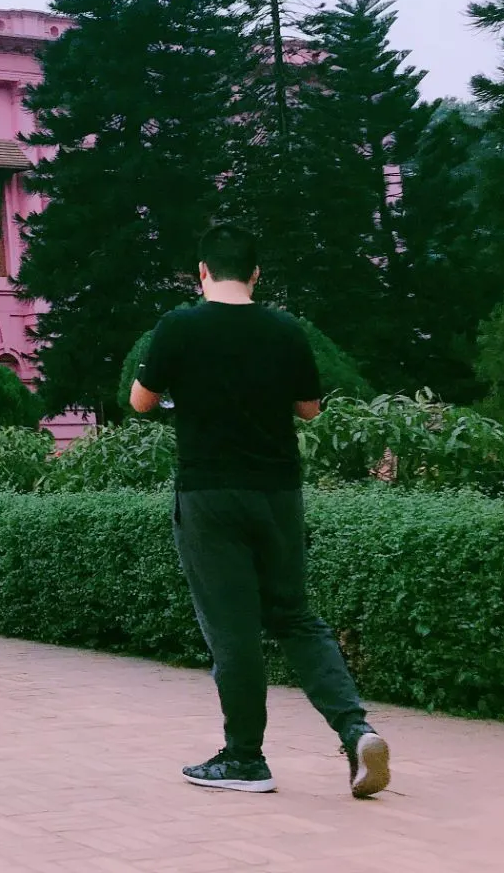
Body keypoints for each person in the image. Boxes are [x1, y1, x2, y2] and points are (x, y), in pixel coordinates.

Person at [132, 221, 389, 798]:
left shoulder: (178, 325)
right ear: (255, 274)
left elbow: (140, 401)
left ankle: (245, 759)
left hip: (209, 493)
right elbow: (310, 410)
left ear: (201, 272)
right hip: (277, 491)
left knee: (232, 630)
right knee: (295, 616)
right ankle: (356, 729)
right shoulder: (285, 328)